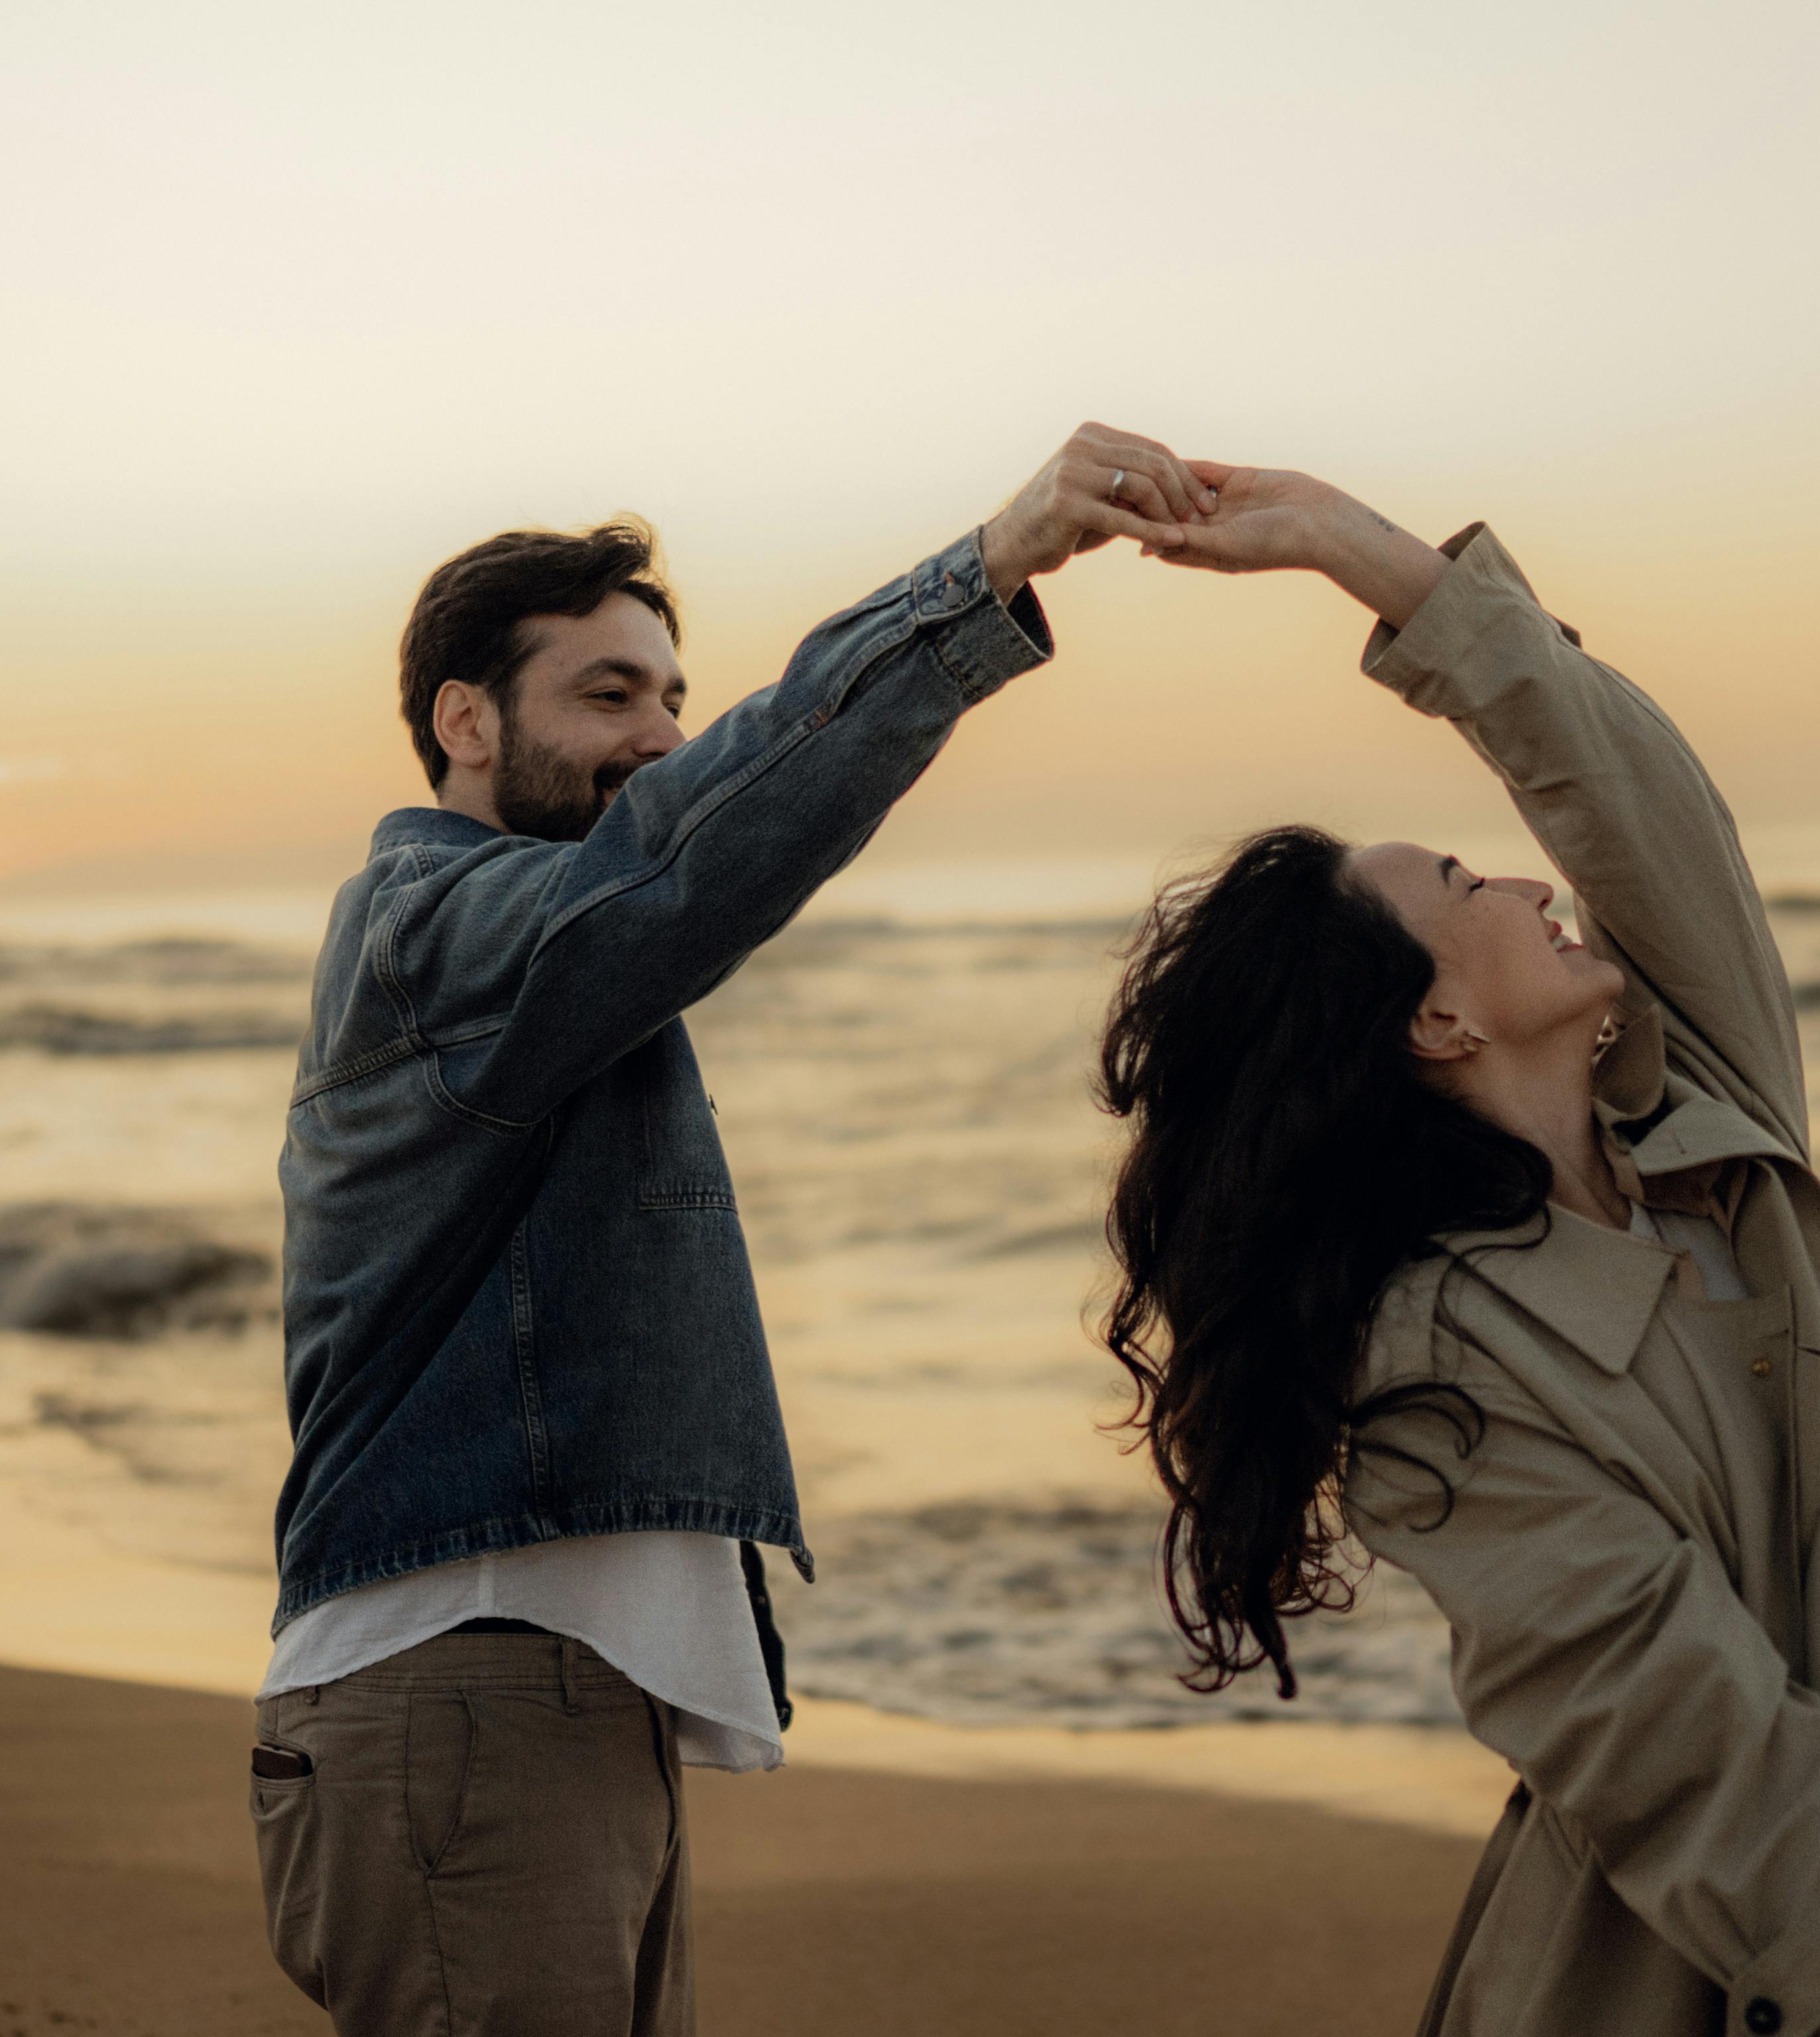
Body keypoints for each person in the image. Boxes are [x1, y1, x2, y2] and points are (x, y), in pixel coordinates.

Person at [1096, 465, 1820, 2035]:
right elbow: (1693, 1747)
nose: (1527, 878)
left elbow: (1654, 816)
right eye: (1466, 886)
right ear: (1437, 1022)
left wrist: (1364, 556)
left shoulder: (1716, 1139)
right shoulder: (1437, 1364)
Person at [251, 422, 1213, 2036]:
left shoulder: (534, 964)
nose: (663, 734)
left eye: (676, 696)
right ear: (464, 720)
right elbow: (691, 865)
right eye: (610, 694)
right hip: (468, 1681)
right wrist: (982, 576)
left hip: (543, 1687)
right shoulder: (438, 933)